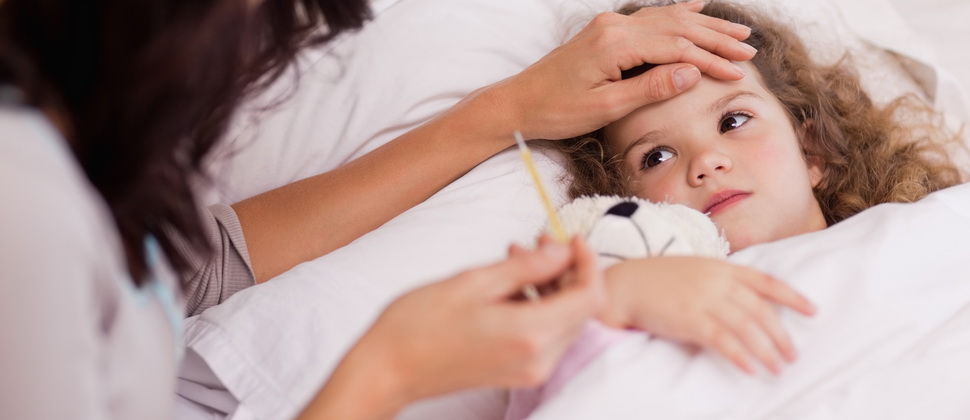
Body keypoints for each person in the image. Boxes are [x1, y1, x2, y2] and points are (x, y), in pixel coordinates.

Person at [0, 0, 762, 419]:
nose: (259, 51)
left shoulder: (74, 159)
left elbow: (189, 271)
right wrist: (387, 370)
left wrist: (507, 110)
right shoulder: (25, 208)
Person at [546, 0, 966, 395]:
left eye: (733, 121)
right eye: (656, 156)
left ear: (812, 151)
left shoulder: (928, 231)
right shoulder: (629, 313)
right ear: (622, 199)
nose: (707, 161)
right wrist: (616, 293)